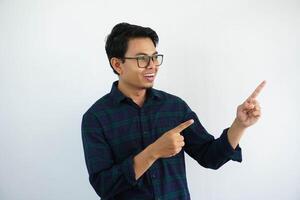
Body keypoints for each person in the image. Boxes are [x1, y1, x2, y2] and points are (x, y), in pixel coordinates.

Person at [81, 22, 266, 200]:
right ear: (117, 65)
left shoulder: (174, 107)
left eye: (154, 57)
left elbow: (210, 157)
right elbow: (104, 186)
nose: (152, 65)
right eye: (142, 59)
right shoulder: (95, 118)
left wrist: (239, 125)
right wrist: (153, 152)